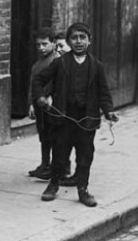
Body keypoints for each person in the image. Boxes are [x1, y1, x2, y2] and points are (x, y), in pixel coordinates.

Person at [32, 22, 118, 207]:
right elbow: (39, 79)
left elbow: (104, 93)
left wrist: (109, 111)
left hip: (87, 118)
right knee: (60, 153)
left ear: (89, 41)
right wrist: (40, 97)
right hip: (64, 117)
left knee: (85, 155)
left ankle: (83, 189)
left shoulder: (97, 66)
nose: (78, 41)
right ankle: (53, 185)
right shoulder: (60, 63)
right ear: (68, 42)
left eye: (82, 38)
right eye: (74, 38)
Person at [26, 27, 60, 181]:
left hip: (52, 104)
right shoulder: (37, 64)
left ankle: (55, 166)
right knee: (43, 134)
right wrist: (31, 104)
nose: (41, 48)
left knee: (54, 135)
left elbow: (58, 83)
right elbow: (32, 85)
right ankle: (44, 164)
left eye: (45, 44)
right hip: (39, 103)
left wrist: (52, 96)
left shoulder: (57, 61)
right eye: (38, 45)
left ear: (53, 43)